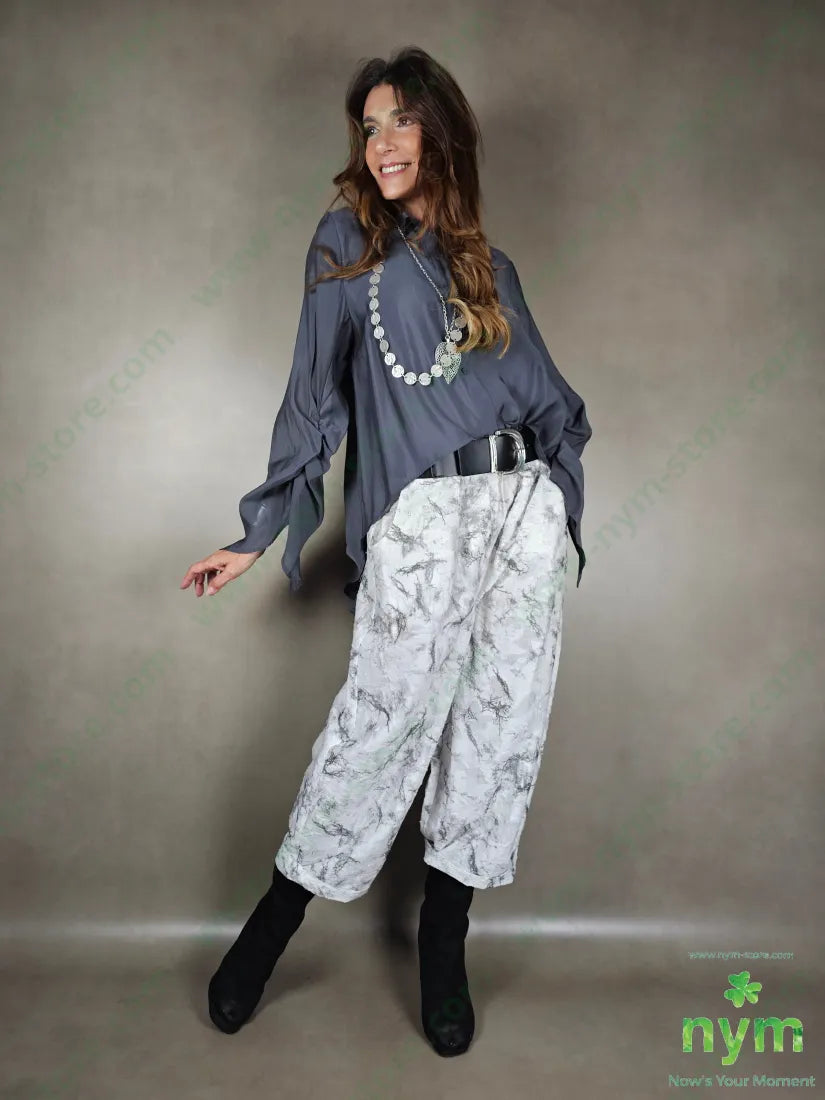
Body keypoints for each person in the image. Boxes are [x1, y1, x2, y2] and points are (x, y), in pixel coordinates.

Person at [180, 45, 593, 1058]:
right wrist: (259, 531)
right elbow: (312, 399)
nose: (382, 143)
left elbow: (556, 409)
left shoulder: (492, 269)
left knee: (497, 735)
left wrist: (557, 518)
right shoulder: (345, 248)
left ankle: (444, 943)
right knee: (378, 725)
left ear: (439, 131)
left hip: (520, 520)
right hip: (423, 522)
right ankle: (271, 927)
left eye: (401, 120)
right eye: (369, 127)